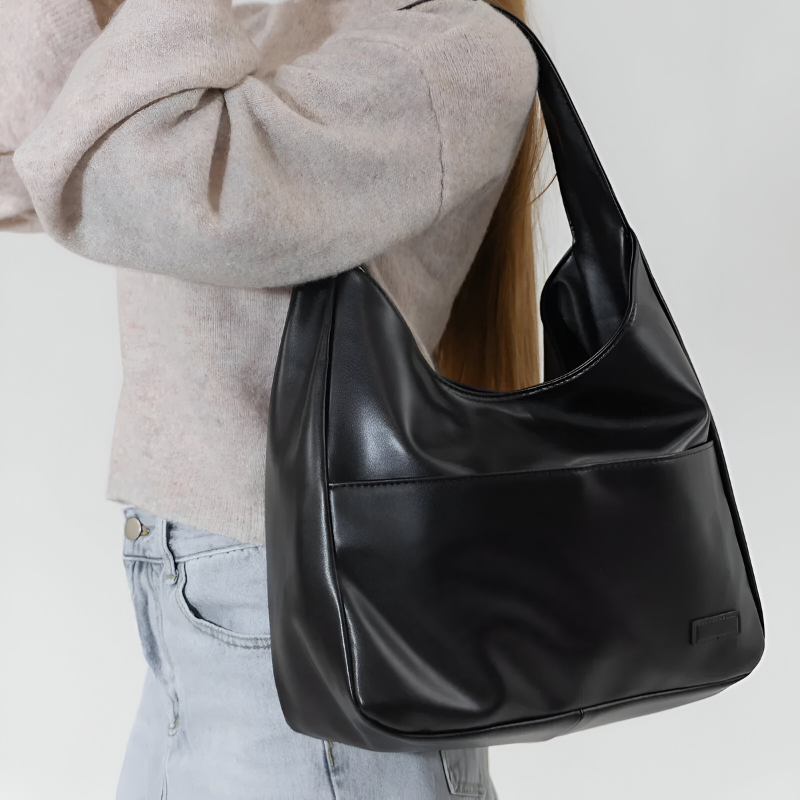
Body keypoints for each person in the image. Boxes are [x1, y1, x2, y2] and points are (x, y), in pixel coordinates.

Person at [0, 0, 548, 796]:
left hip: (297, 624)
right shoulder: (262, 18)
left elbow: (156, 182)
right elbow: (32, 159)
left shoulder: (457, 50)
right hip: (189, 616)